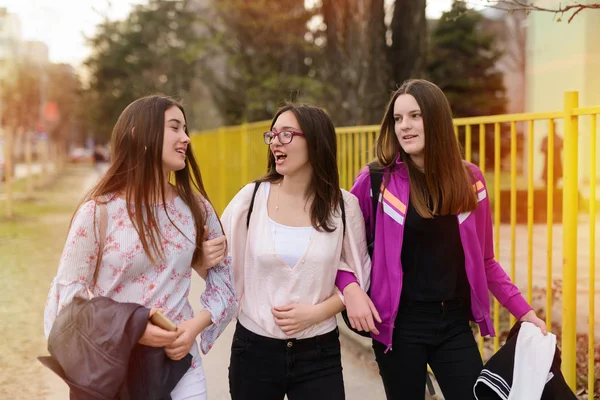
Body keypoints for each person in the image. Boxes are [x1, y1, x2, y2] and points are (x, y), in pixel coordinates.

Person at [338, 79, 547, 400]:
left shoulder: (470, 181)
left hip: (453, 324)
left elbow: (486, 260)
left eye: (415, 116)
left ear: (436, 120)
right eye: (397, 119)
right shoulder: (375, 181)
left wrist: (525, 312)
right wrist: (349, 289)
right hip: (398, 328)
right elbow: (338, 248)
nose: (404, 126)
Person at [44, 95, 237, 399]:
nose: (186, 138)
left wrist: (194, 328)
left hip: (180, 364)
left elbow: (226, 281)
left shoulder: (194, 207)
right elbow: (67, 300)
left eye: (185, 128)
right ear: (139, 134)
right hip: (116, 366)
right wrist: (135, 330)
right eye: (175, 128)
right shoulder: (98, 212)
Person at [221, 104, 374, 400]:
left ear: (316, 142)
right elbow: (217, 265)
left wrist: (316, 313)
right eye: (273, 135)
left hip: (319, 352)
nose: (276, 142)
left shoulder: (343, 206)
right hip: (254, 351)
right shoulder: (249, 199)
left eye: (287, 134)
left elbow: (359, 272)